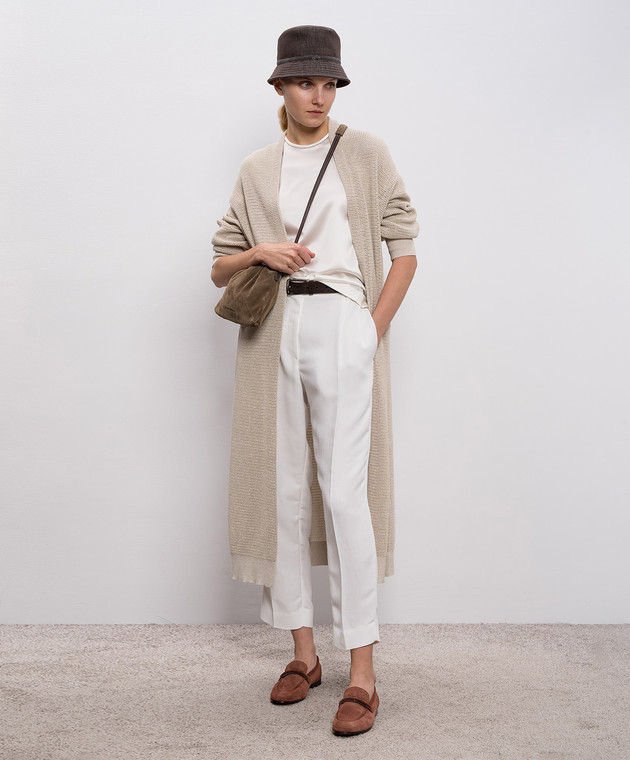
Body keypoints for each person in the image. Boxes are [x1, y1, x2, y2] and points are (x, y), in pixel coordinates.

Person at [211, 25, 418, 736]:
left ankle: (363, 672)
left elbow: (405, 248)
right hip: (273, 330)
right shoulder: (257, 168)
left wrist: (372, 328)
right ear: (279, 86)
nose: (319, 96)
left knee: (344, 492)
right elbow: (219, 264)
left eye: (329, 83)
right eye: (305, 82)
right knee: (285, 491)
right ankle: (303, 654)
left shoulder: (365, 153)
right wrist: (260, 252)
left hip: (342, 321)